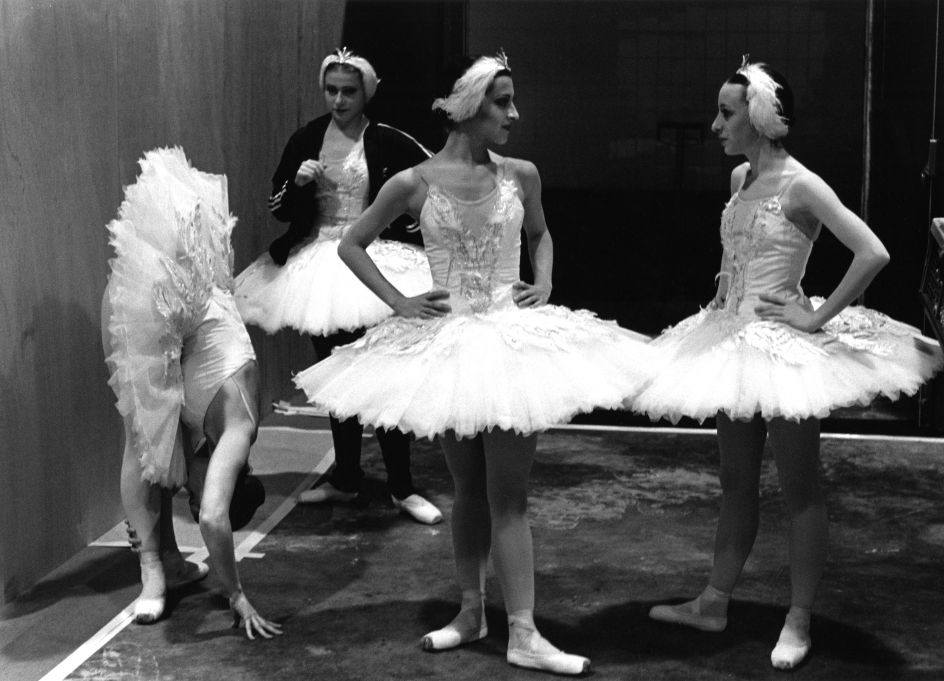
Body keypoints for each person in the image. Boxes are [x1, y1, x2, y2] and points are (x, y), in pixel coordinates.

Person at [293, 51, 655, 676]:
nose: (515, 114)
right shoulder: (413, 182)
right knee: (468, 490)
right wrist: (400, 302)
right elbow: (351, 244)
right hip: (451, 345)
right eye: (502, 102)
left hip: (510, 341)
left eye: (512, 101)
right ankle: (471, 612)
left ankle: (524, 631)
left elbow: (540, 233)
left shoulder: (522, 174)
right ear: (466, 107)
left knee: (507, 495)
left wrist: (544, 280)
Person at [637, 57, 943, 670]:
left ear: (757, 117)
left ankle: (798, 618)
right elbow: (737, 255)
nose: (715, 125)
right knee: (735, 481)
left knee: (800, 487)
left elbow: (873, 251)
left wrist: (815, 317)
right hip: (731, 342)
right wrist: (725, 297)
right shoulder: (740, 178)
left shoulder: (801, 185)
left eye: (725, 113)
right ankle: (714, 600)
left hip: (780, 348)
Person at [235, 48, 441, 525]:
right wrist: (298, 182)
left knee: (383, 375)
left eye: (349, 91)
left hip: (372, 256)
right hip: (319, 266)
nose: (339, 100)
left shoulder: (387, 138)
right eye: (332, 90)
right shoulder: (307, 137)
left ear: (367, 92)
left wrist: (412, 226)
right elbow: (278, 206)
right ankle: (346, 477)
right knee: (335, 374)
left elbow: (433, 182)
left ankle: (401, 485)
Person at [103, 147, 283, 640]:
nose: (191, 493)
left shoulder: (222, 428)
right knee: (144, 440)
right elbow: (213, 519)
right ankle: (152, 569)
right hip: (155, 296)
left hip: (169, 300)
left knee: (163, 443)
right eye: (197, 492)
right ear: (233, 475)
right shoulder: (238, 432)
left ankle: (167, 560)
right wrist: (237, 596)